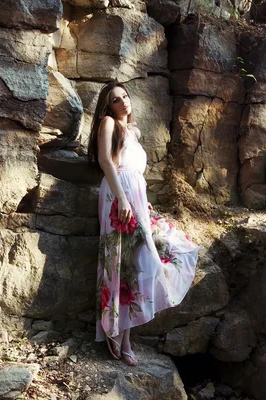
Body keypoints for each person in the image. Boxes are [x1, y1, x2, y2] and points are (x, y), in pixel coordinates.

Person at [87, 81, 201, 366]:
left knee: (147, 264)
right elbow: (106, 161)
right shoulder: (108, 123)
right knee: (124, 265)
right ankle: (118, 337)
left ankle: (125, 337)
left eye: (125, 96)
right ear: (108, 105)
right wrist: (123, 199)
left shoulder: (134, 132)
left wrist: (142, 201)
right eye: (116, 99)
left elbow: (136, 172)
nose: (123, 101)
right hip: (117, 195)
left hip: (134, 196)